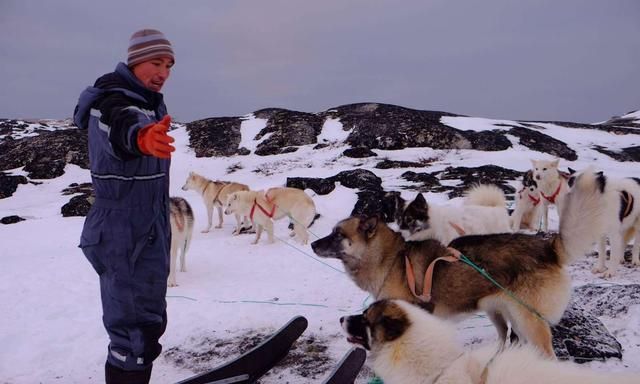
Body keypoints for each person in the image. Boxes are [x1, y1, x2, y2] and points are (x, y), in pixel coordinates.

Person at [73, 29, 176, 384]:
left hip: (146, 229)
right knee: (133, 336)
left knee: (148, 323)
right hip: (122, 231)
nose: (163, 72)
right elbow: (122, 125)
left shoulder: (148, 102)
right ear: (135, 62)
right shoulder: (112, 101)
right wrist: (142, 136)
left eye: (168, 65)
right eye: (155, 62)